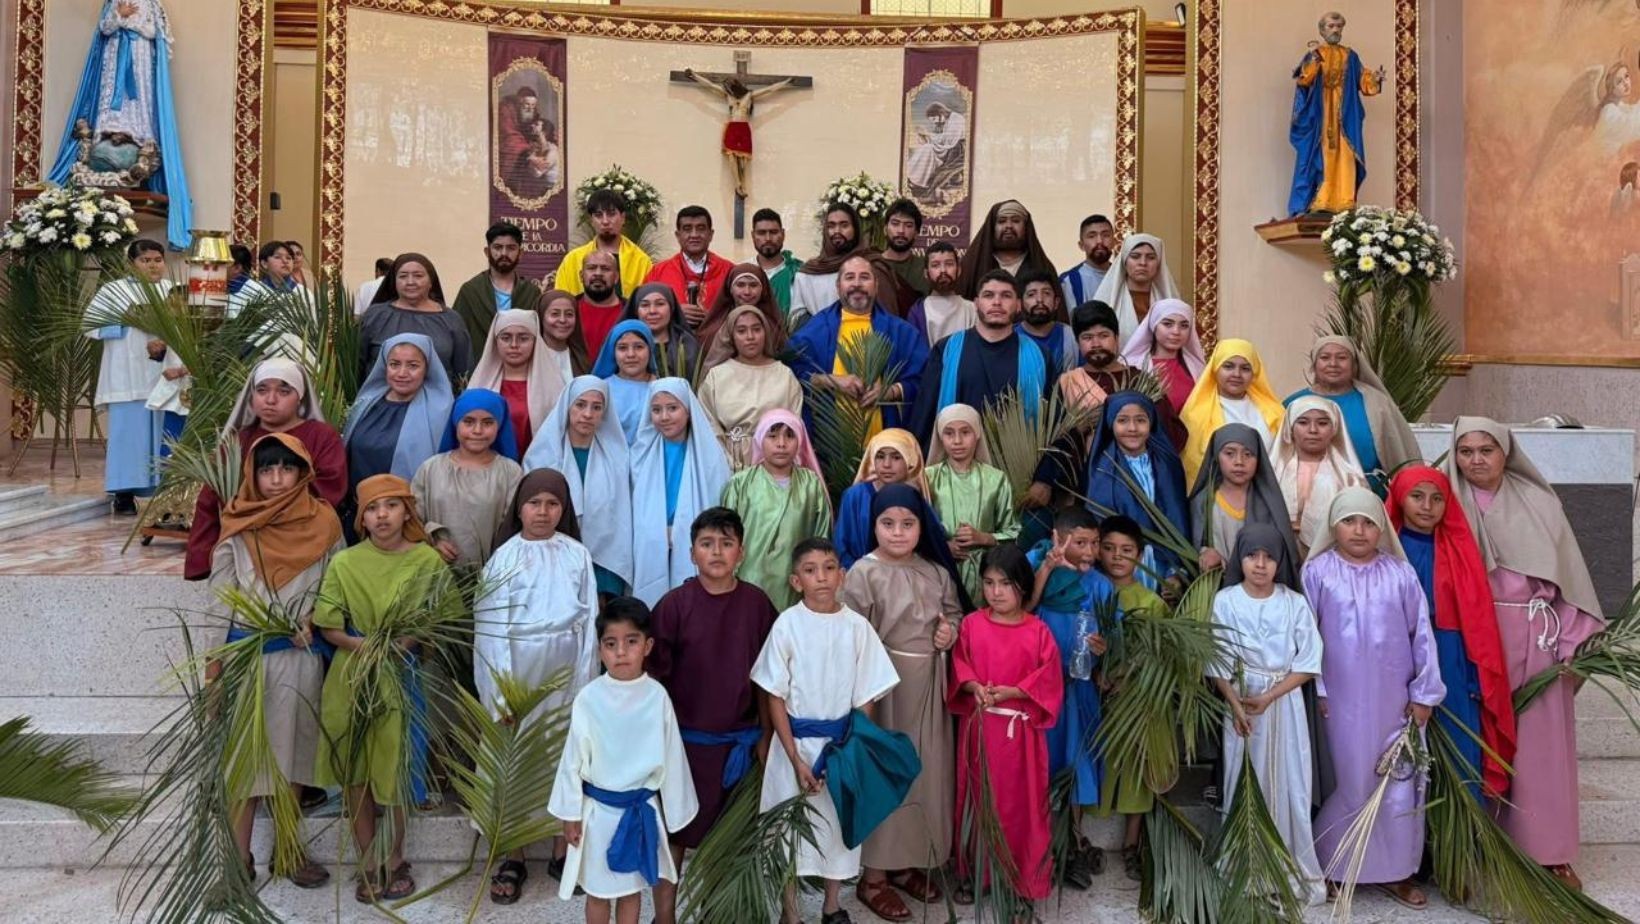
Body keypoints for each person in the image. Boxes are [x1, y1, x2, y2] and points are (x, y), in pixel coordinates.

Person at [1442, 417, 1605, 887]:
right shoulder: (1445, 501)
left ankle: (1548, 850)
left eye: (1486, 450)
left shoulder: (1539, 503)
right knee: (1480, 739)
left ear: (1506, 453)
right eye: (1466, 451)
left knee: (1541, 745)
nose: (1476, 460)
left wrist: (1569, 642)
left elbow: (1569, 577)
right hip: (1473, 636)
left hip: (1536, 636)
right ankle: (1484, 845)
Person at [313, 474, 453, 903]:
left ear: (407, 511)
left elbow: (442, 615)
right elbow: (328, 623)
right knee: (357, 772)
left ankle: (394, 858)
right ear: (362, 519)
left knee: (394, 770)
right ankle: (367, 861)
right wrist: (368, 645)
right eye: (373, 508)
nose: (382, 515)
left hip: (402, 674)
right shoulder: (346, 562)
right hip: (351, 676)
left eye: (391, 506)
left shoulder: (428, 562)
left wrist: (404, 643)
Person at [211, 433, 342, 890]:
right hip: (249, 657)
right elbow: (220, 602)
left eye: (286, 468)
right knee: (246, 765)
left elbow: (335, 583)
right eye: (266, 469)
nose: (276, 478)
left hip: (299, 657)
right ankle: (237, 859)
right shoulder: (238, 526)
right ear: (253, 474)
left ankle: (288, 852)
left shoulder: (324, 522)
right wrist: (215, 669)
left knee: (294, 759)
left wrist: (315, 618)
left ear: (303, 472)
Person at [1306, 487, 1443, 907]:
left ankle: (1397, 872)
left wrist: (1423, 695)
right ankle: (1334, 867)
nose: (1359, 531)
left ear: (1381, 527)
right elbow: (1305, 636)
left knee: (1397, 784)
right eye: (1349, 521)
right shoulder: (1317, 572)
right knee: (1348, 784)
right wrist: (1319, 691)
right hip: (1338, 705)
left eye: (1369, 522)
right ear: (1334, 526)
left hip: (1394, 705)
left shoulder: (1400, 574)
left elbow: (1422, 635)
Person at [752, 538, 901, 924]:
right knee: (789, 830)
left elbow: (867, 692)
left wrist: (846, 744)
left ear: (842, 575)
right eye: (810, 569)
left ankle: (832, 905)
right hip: (795, 748)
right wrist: (794, 756)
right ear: (796, 580)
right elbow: (775, 695)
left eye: (829, 567)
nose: (822, 577)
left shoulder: (857, 628)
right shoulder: (787, 625)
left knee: (836, 827)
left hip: (840, 747)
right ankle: (790, 913)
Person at [646, 508, 779, 924]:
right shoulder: (673, 606)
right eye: (707, 544)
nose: (716, 552)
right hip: (685, 745)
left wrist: (766, 734)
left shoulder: (757, 604)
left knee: (730, 835)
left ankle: (717, 912)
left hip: (738, 745)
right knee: (675, 835)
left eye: (726, 543)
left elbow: (769, 679)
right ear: (691, 553)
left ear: (741, 551)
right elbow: (654, 682)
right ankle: (664, 915)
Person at [842, 483, 965, 920]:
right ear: (873, 525)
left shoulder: (936, 571)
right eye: (887, 523)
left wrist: (949, 632)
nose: (897, 533)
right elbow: (850, 632)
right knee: (885, 776)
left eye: (907, 524)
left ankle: (908, 863)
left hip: (928, 685)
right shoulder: (862, 572)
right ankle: (873, 877)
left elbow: (953, 613)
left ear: (921, 527)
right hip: (883, 691)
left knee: (924, 775)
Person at [480, 467, 601, 903]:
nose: (543, 512)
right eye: (534, 503)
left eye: (553, 504)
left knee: (563, 762)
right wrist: (500, 696)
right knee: (516, 765)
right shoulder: (504, 558)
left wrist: (586, 686)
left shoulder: (577, 555)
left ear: (564, 509)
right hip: (518, 678)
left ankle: (560, 848)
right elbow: (490, 633)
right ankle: (511, 853)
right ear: (519, 507)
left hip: (567, 675)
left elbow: (589, 623)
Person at [548, 597, 699, 919]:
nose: (620, 652)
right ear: (600, 649)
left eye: (631, 642)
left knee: (631, 891)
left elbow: (672, 756)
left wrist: (675, 811)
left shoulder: (657, 696)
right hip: (598, 815)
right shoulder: (589, 698)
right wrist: (569, 813)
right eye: (611, 643)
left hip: (639, 812)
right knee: (599, 892)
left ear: (647, 646)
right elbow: (572, 758)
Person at [1207, 523, 1327, 907]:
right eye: (1251, 556)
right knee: (1243, 778)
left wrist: (1271, 696)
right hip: (1241, 706)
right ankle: (1246, 867)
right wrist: (1237, 704)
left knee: (1291, 781)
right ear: (1239, 558)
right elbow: (1217, 660)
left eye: (1269, 557)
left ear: (1281, 562)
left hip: (1284, 705)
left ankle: (1290, 867)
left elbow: (1308, 662)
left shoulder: (1293, 603)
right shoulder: (1226, 600)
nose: (1260, 565)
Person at [1387, 465, 1516, 798]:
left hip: (1449, 654)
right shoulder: (1388, 548)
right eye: (1417, 497)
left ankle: (1459, 837)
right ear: (1400, 498)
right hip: (1397, 652)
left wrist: (1475, 675)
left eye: (1436, 499)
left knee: (1458, 744)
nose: (1426, 506)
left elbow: (1477, 618)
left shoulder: (1458, 548)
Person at [949, 545, 1064, 907]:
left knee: (1022, 805)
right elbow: (960, 666)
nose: (996, 592)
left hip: (1021, 738)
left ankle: (1022, 877)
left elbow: (1050, 678)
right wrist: (973, 687)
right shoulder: (971, 625)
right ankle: (974, 873)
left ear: (1024, 587)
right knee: (978, 800)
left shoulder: (1038, 631)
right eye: (988, 582)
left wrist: (1015, 690)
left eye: (1006, 584)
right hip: (981, 730)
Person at [185, 359, 348, 580]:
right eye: (262, 390)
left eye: (283, 391)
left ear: (299, 396)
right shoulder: (238, 441)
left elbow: (329, 486)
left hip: (303, 541)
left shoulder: (321, 437)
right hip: (247, 548)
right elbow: (211, 498)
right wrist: (205, 554)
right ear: (251, 395)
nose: (271, 400)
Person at [1029, 508, 1120, 888]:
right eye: (1079, 542)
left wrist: (1104, 649)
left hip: (1080, 691)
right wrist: (1047, 571)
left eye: (1094, 543)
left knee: (1077, 763)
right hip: (1037, 693)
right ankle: (1040, 844)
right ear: (1057, 538)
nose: (1088, 551)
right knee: (1041, 765)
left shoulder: (1101, 586)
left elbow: (1116, 637)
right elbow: (1019, 610)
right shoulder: (1036, 567)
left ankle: (1072, 843)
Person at [1094, 515, 1171, 878]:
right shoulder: (1088, 590)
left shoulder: (1150, 601)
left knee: (1136, 769)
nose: (1116, 557)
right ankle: (1080, 841)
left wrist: (1124, 675)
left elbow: (1159, 655)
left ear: (1140, 556)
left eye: (1126, 550)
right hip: (1093, 696)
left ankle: (1131, 843)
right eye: (1108, 548)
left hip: (1136, 700)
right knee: (1092, 763)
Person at [787, 253, 928, 437]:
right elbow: (790, 372)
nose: (857, 284)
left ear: (876, 286)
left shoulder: (901, 332)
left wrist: (890, 392)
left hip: (886, 451)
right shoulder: (816, 329)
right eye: (849, 277)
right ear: (838, 287)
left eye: (864, 277)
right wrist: (831, 380)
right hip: (831, 449)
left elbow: (925, 378)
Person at [908, 270, 1050, 447]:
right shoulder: (946, 349)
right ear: (976, 303)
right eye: (988, 295)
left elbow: (1050, 423)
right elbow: (924, 413)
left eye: (1006, 296)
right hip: (957, 463)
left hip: (1018, 465)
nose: (997, 302)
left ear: (1019, 305)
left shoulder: (1039, 356)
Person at [523, 376, 634, 598]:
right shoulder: (543, 453)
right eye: (580, 405)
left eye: (596, 407)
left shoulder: (618, 456)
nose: (587, 414)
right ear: (567, 406)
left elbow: (624, 510)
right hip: (556, 552)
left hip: (606, 557)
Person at [85, 238, 173, 514]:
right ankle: (123, 494)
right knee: (128, 435)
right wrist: (127, 320)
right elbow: (89, 325)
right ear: (131, 264)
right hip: (127, 373)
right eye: (145, 261)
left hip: (164, 374)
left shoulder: (173, 290)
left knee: (162, 436)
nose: (153, 266)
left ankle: (164, 492)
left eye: (157, 260)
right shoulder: (114, 291)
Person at [628, 379, 732, 605]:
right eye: (656, 410)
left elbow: (717, 498)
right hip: (651, 537)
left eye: (672, 408)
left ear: (688, 411)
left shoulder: (709, 455)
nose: (664, 417)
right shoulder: (640, 454)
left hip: (693, 535)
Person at [341, 333, 455, 536]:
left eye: (412, 365)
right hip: (361, 509)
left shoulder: (440, 411)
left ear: (426, 368)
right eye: (394, 364)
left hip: (410, 515)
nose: (402, 373)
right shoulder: (366, 402)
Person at [720, 411, 832, 609]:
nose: (781, 443)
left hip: (794, 584)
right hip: (749, 578)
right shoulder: (740, 484)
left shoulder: (811, 484)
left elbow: (820, 535)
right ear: (760, 439)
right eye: (772, 436)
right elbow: (726, 536)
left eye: (790, 435)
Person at [1083, 392, 1192, 590]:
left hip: (1163, 565)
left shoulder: (1167, 465)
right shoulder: (1101, 469)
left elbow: (1178, 517)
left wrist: (1176, 571)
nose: (1132, 428)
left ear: (1151, 423)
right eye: (1123, 420)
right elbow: (1098, 524)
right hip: (1116, 568)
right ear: (1110, 424)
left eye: (1140, 420)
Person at [1284, 335, 1420, 492]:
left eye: (1342, 358)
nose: (1333, 364)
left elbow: (1397, 449)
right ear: (1314, 365)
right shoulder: (1293, 403)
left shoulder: (1376, 403)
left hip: (1367, 493)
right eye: (1325, 358)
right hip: (1305, 491)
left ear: (1355, 365)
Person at [412, 388, 523, 572]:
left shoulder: (510, 473)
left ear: (499, 426)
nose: (477, 430)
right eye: (468, 422)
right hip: (435, 572)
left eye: (487, 423)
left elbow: (514, 528)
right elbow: (413, 519)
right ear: (456, 423)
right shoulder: (431, 468)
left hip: (491, 575)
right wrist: (431, 540)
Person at [1287, 11, 1383, 216]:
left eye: (1338, 27)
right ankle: (1321, 200)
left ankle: (1344, 201)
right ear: (1322, 30)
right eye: (1331, 26)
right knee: (1322, 155)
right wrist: (1314, 58)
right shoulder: (1315, 53)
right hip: (1320, 113)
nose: (1335, 30)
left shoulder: (1350, 55)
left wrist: (1374, 78)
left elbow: (1363, 81)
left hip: (1346, 114)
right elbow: (1304, 79)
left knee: (1346, 155)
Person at [925, 404, 1018, 603]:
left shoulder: (996, 479)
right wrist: (943, 546)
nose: (957, 441)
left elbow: (1013, 532)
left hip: (986, 576)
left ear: (977, 434)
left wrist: (984, 538)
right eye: (949, 433)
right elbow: (917, 529)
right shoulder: (928, 478)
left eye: (965, 432)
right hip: (940, 572)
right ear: (940, 437)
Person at [697, 305, 802, 469]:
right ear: (731, 336)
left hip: (775, 464)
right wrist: (727, 463)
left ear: (765, 333)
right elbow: (708, 425)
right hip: (727, 464)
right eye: (741, 331)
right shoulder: (716, 376)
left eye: (756, 329)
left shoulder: (784, 375)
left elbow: (795, 425)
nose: (750, 337)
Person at [1191, 423, 1301, 579]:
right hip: (1214, 588)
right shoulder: (1203, 501)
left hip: (1260, 588)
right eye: (1229, 453)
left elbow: (1283, 552)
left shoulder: (1269, 503)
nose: (1239, 462)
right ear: (1216, 456)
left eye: (1248, 454)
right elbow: (1192, 542)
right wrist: (1204, 552)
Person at [1179, 338, 1285, 486]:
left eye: (1245, 368)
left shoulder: (1274, 412)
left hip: (1266, 493)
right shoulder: (1195, 413)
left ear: (1254, 372)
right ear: (1215, 369)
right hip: (1214, 497)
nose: (1237, 374)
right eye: (1228, 366)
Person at [1273, 395, 1367, 557]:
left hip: (1332, 554)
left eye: (1322, 423)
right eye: (1303, 422)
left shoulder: (1349, 476)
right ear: (1290, 427)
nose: (1313, 430)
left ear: (1334, 428)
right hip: (1278, 551)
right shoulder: (1274, 470)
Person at [467, 309, 566, 458]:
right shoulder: (480, 383)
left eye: (523, 338)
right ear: (495, 341)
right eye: (506, 338)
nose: (514, 345)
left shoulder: (553, 385)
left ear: (535, 341)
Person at [361, 253, 472, 383]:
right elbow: (358, 363)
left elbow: (463, 370)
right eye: (403, 276)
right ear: (394, 281)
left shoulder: (451, 319)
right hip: (381, 400)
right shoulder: (375, 315)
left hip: (439, 401)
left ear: (431, 281)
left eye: (418, 276)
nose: (410, 282)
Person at [790, 201, 901, 327]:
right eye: (831, 226)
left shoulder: (872, 265)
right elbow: (796, 318)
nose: (837, 231)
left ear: (855, 229)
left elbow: (887, 317)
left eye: (844, 225)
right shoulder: (808, 273)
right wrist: (822, 329)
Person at [835, 428, 932, 570]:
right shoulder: (855, 495)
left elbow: (930, 542)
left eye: (896, 457)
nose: (886, 464)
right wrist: (859, 575)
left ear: (910, 460)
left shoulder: (914, 496)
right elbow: (841, 545)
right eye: (880, 456)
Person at [452, 222, 543, 348]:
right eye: (498, 247)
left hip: (522, 365)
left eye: (511, 248)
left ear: (520, 253)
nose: (504, 253)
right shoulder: (470, 291)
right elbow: (457, 335)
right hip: (480, 364)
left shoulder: (531, 292)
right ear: (487, 252)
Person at [554, 188, 653, 299]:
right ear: (591, 220)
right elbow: (561, 300)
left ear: (623, 218)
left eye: (611, 214)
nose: (605, 221)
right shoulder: (572, 260)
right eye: (598, 215)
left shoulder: (641, 261)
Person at [644, 206, 733, 329]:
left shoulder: (729, 271)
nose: (694, 235)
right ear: (678, 235)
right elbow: (643, 310)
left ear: (711, 234)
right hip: (671, 344)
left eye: (701, 228)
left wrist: (712, 317)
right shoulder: (658, 272)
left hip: (716, 344)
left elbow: (740, 312)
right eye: (687, 229)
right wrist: (673, 312)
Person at [1120, 298, 1207, 414]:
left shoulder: (1197, 369)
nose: (1176, 331)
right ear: (1154, 325)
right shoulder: (1131, 366)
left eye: (1184, 326)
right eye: (1167, 324)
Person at [1092, 233, 1181, 345]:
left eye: (1151, 257)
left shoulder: (1168, 300)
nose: (1143, 263)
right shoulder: (1108, 298)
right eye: (1135, 256)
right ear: (1125, 261)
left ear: (1158, 263)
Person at [958, 200, 1058, 297]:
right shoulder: (972, 265)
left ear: (1026, 227)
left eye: (1015, 221)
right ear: (993, 227)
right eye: (1002, 221)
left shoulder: (1042, 266)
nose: (1008, 226)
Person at [696, 263, 784, 364]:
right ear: (730, 289)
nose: (747, 292)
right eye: (740, 285)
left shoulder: (774, 328)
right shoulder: (712, 328)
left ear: (762, 289)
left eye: (753, 285)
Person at [590, 319, 659, 446]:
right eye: (622, 348)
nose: (631, 354)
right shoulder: (601, 389)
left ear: (650, 350)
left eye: (639, 347)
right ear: (613, 352)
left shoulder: (661, 389)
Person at [622, 283, 701, 382]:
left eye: (660, 304)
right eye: (645, 305)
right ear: (636, 311)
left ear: (671, 308)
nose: (652, 311)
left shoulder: (687, 345)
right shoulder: (624, 347)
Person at [903, 241, 975, 346]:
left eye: (949, 264)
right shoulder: (917, 312)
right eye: (935, 265)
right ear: (926, 273)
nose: (943, 270)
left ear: (958, 270)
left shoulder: (971, 310)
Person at [1016, 270, 1078, 376]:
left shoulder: (1070, 336)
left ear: (1056, 303)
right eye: (1031, 295)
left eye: (1046, 293)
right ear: (1019, 303)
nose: (1040, 300)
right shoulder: (1011, 337)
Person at [228, 241, 306, 319]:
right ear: (264, 263)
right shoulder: (252, 288)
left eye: (289, 258)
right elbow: (235, 320)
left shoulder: (302, 292)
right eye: (277, 257)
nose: (285, 261)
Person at [750, 208, 804, 318]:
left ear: (783, 234)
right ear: (753, 236)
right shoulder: (743, 272)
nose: (768, 238)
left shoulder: (799, 273)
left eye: (774, 232)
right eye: (761, 233)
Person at [576, 249, 628, 359]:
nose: (598, 273)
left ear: (616, 277)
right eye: (591, 268)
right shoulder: (569, 310)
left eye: (605, 269)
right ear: (581, 275)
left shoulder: (631, 311)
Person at [880, 198, 929, 309]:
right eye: (895, 224)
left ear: (916, 233)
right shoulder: (874, 265)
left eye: (908, 225)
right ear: (885, 229)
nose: (901, 230)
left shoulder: (925, 267)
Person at [1059, 214, 1116, 308]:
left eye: (1105, 235)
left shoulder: (1125, 277)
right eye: (1092, 236)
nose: (1099, 241)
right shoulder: (1068, 282)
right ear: (1081, 245)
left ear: (1114, 242)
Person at [537, 288, 592, 381]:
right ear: (542, 317)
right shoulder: (531, 358)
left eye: (569, 314)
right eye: (555, 314)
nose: (562, 320)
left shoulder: (582, 360)